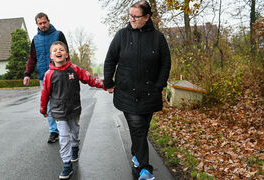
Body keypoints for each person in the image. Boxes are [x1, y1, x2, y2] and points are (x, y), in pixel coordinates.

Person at [103, 1, 171, 180]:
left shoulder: (158, 38)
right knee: (138, 127)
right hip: (127, 92)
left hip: (150, 93)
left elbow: (165, 63)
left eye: (136, 16)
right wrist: (108, 82)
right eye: (130, 15)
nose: (132, 19)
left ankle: (136, 154)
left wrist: (159, 85)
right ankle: (145, 169)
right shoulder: (121, 35)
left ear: (147, 17)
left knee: (142, 128)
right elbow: (110, 59)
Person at [40, 41, 105, 179]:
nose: (59, 52)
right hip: (58, 112)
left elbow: (89, 79)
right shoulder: (48, 74)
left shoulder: (74, 69)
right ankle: (67, 164)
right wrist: (43, 108)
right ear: (51, 56)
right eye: (55, 50)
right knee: (63, 136)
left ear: (66, 54)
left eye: (61, 50)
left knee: (74, 131)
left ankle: (75, 147)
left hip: (74, 109)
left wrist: (104, 85)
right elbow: (45, 93)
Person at [23, 12, 69, 143]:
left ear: (48, 21)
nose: (43, 25)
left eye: (44, 22)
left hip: (60, 74)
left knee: (62, 101)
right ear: (37, 24)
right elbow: (32, 58)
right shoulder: (35, 39)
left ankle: (65, 128)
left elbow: (66, 53)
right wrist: (27, 74)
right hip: (44, 76)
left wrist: (68, 70)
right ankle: (54, 131)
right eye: (40, 23)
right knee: (48, 105)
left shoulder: (58, 34)